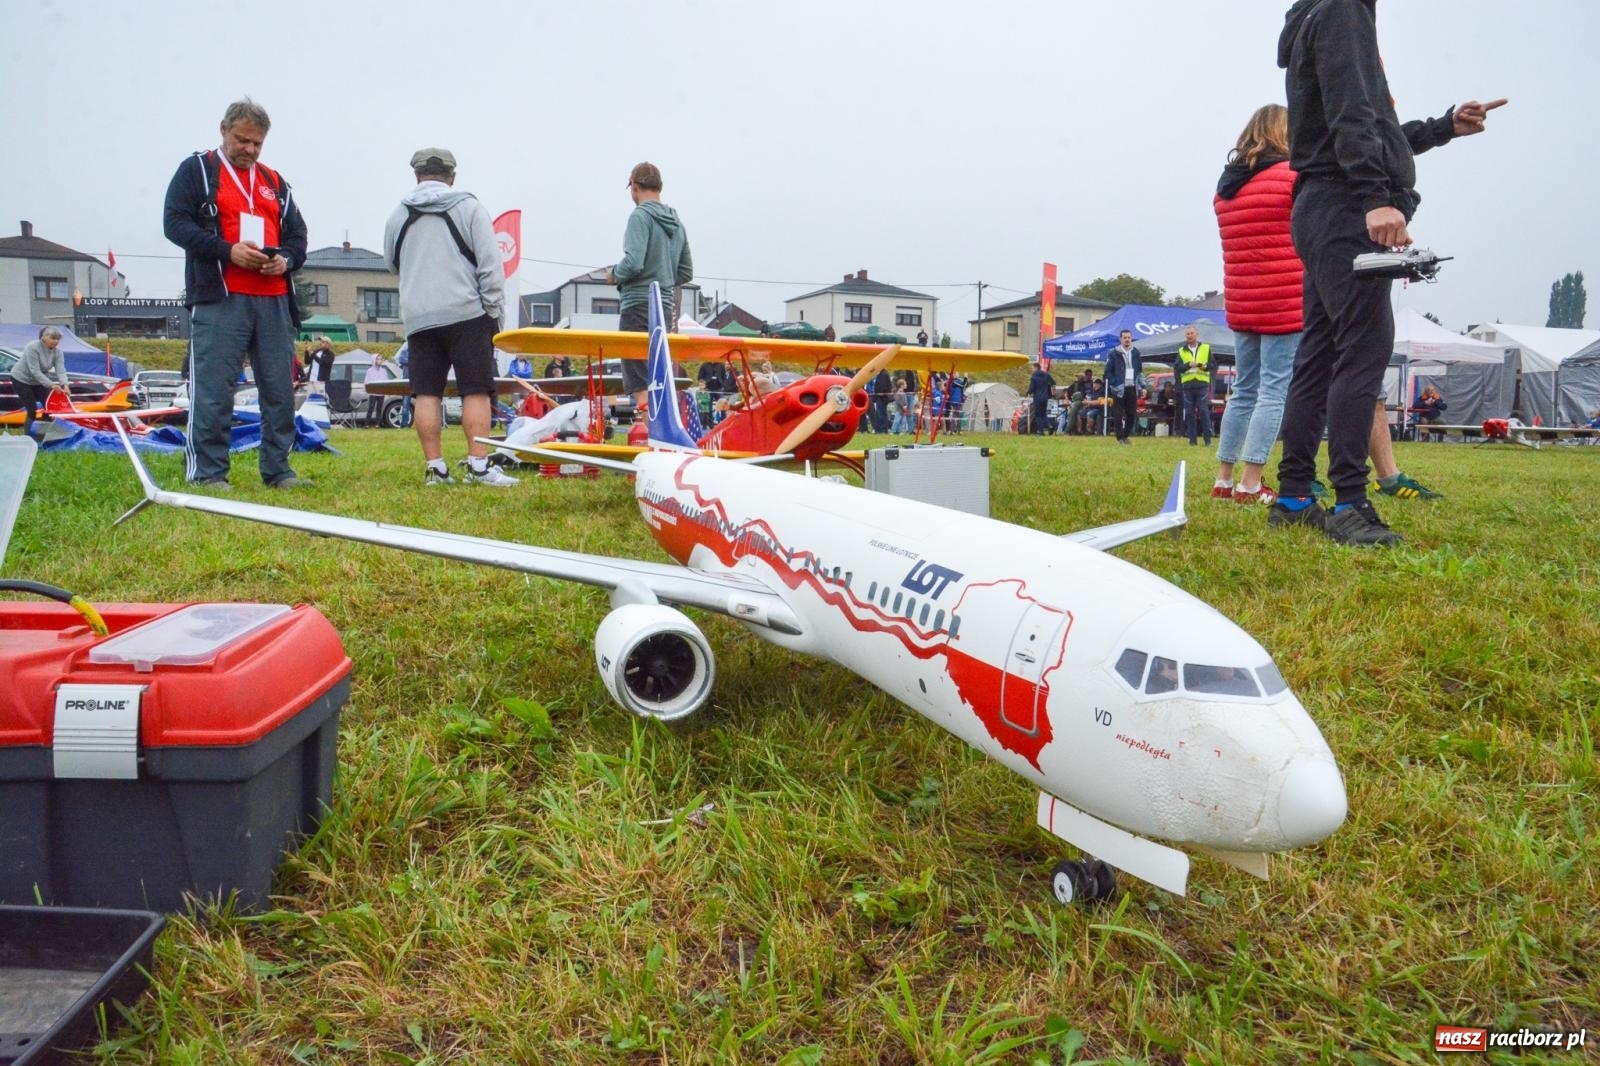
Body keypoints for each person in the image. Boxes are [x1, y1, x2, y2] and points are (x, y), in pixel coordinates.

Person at [1269, 0, 1504, 545]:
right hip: (1345, 202)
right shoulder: (1345, 9)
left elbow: (1369, 124)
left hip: (1322, 203)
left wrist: (1443, 127)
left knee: (1321, 352)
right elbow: (1351, 113)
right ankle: (1350, 503)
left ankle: (1294, 496)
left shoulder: (1317, 14)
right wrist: (1375, 196)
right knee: (1364, 347)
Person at [162, 97, 310, 489]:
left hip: (274, 298)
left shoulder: (274, 182)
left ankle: (278, 469)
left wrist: (288, 260)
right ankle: (209, 472)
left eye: (257, 143)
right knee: (214, 390)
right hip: (221, 298)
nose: (250, 149)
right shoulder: (197, 170)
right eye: (243, 140)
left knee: (279, 389)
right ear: (223, 130)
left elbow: (298, 235)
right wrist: (227, 250)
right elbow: (174, 224)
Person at [382, 147, 516, 486]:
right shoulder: (469, 208)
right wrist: (492, 310)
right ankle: (478, 466)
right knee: (476, 390)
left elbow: (391, 262)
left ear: (416, 176)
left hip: (419, 316)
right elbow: (490, 266)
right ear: (452, 176)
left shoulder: (398, 215)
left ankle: (436, 468)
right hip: (468, 312)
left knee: (425, 392)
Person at [1212, 103, 1304, 504]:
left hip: (1242, 300)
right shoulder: (1292, 176)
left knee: (1243, 391)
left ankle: (1224, 479)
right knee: (1273, 391)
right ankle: (1252, 482)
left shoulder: (1226, 186)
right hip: (1285, 298)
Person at [605, 162, 693, 412]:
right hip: (663, 309)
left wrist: (614, 275)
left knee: (639, 379)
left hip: (637, 305)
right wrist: (663, 276)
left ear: (634, 186)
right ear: (660, 187)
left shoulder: (639, 217)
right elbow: (686, 272)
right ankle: (662, 437)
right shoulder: (676, 222)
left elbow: (633, 263)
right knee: (657, 376)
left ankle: (652, 439)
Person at [12, 326, 69, 439]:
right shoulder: (32, 347)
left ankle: (46, 434)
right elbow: (35, 371)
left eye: (58, 339)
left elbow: (60, 370)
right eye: (53, 338)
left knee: (49, 407)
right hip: (22, 379)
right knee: (32, 410)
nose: (56, 341)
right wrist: (51, 384)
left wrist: (65, 385)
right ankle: (28, 437)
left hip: (40, 381)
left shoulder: (58, 353)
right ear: (44, 338)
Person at [1174, 326, 1214, 446]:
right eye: (1188, 334)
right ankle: (1192, 441)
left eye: (1192, 333)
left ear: (1197, 334)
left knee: (1203, 412)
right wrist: (1188, 365)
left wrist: (1203, 366)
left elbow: (1212, 365)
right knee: (1190, 414)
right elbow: (1177, 368)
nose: (1190, 336)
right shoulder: (1181, 350)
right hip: (1188, 386)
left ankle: (1208, 440)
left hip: (1202, 384)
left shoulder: (1206, 348)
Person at [1105, 329, 1144, 445]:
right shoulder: (1114, 353)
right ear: (1120, 339)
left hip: (1132, 386)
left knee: (1132, 414)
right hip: (1119, 388)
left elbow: (1140, 370)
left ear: (1131, 339)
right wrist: (1114, 383)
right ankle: (1119, 438)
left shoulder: (1136, 352)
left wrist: (1143, 385)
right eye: (1125, 338)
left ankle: (1126, 436)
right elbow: (1108, 371)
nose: (1127, 340)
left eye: (1129, 338)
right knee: (1117, 414)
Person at [363, 351, 393, 425]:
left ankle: (378, 424)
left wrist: (387, 391)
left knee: (379, 408)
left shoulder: (384, 371)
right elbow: (366, 381)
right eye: (378, 359)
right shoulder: (370, 371)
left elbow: (386, 381)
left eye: (381, 359)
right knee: (371, 408)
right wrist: (366, 390)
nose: (380, 361)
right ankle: (366, 423)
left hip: (381, 393)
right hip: (373, 392)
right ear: (374, 360)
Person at [1027, 362, 1056, 435]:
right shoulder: (1046, 374)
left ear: (1036, 368)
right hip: (1045, 398)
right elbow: (1053, 383)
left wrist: (1028, 392)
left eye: (1032, 368)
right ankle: (1049, 426)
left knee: (1038, 415)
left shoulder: (1034, 376)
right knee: (1043, 414)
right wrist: (1050, 391)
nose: (1032, 370)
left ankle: (1040, 431)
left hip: (1037, 397)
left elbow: (1032, 388)